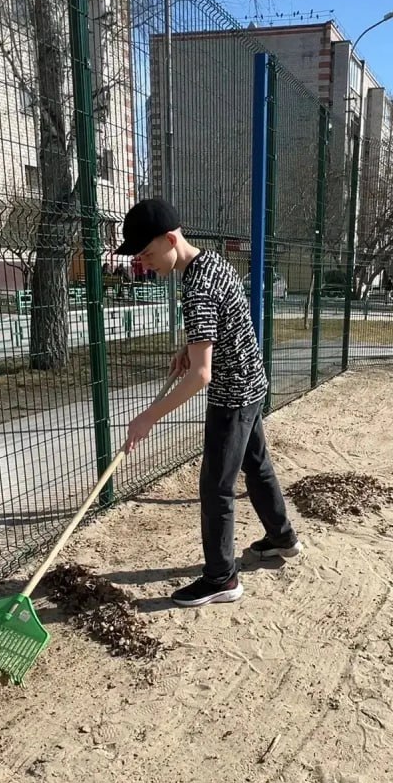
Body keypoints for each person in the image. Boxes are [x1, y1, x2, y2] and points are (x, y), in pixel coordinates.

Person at [117, 198, 302, 608]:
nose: (143, 263)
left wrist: (148, 417)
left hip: (231, 395)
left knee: (215, 487)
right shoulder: (212, 262)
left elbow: (202, 375)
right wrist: (190, 346)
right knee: (257, 465)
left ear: (170, 240)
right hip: (252, 383)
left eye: (146, 252)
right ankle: (283, 538)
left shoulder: (195, 288)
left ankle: (221, 578)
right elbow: (225, 323)